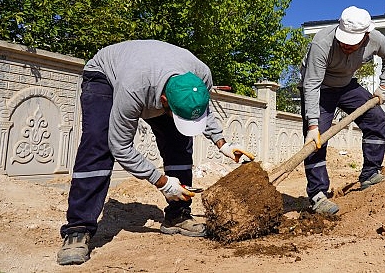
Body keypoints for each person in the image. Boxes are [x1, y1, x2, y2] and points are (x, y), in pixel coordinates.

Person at [57, 40, 253, 266]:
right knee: (98, 144)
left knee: (179, 142)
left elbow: (199, 106)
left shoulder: (202, 75)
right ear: (163, 101)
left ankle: (177, 215)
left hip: (153, 75)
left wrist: (223, 144)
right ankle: (78, 229)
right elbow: (120, 146)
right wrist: (161, 182)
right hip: (106, 75)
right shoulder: (133, 89)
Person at [300, 6, 385, 215]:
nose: (347, 46)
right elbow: (311, 85)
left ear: (366, 35)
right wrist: (313, 125)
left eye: (352, 44)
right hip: (320, 88)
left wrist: (384, 84)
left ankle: (370, 173)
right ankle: (318, 195)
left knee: (376, 118)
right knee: (317, 140)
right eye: (344, 41)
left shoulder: (376, 39)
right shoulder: (322, 42)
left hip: (346, 85)